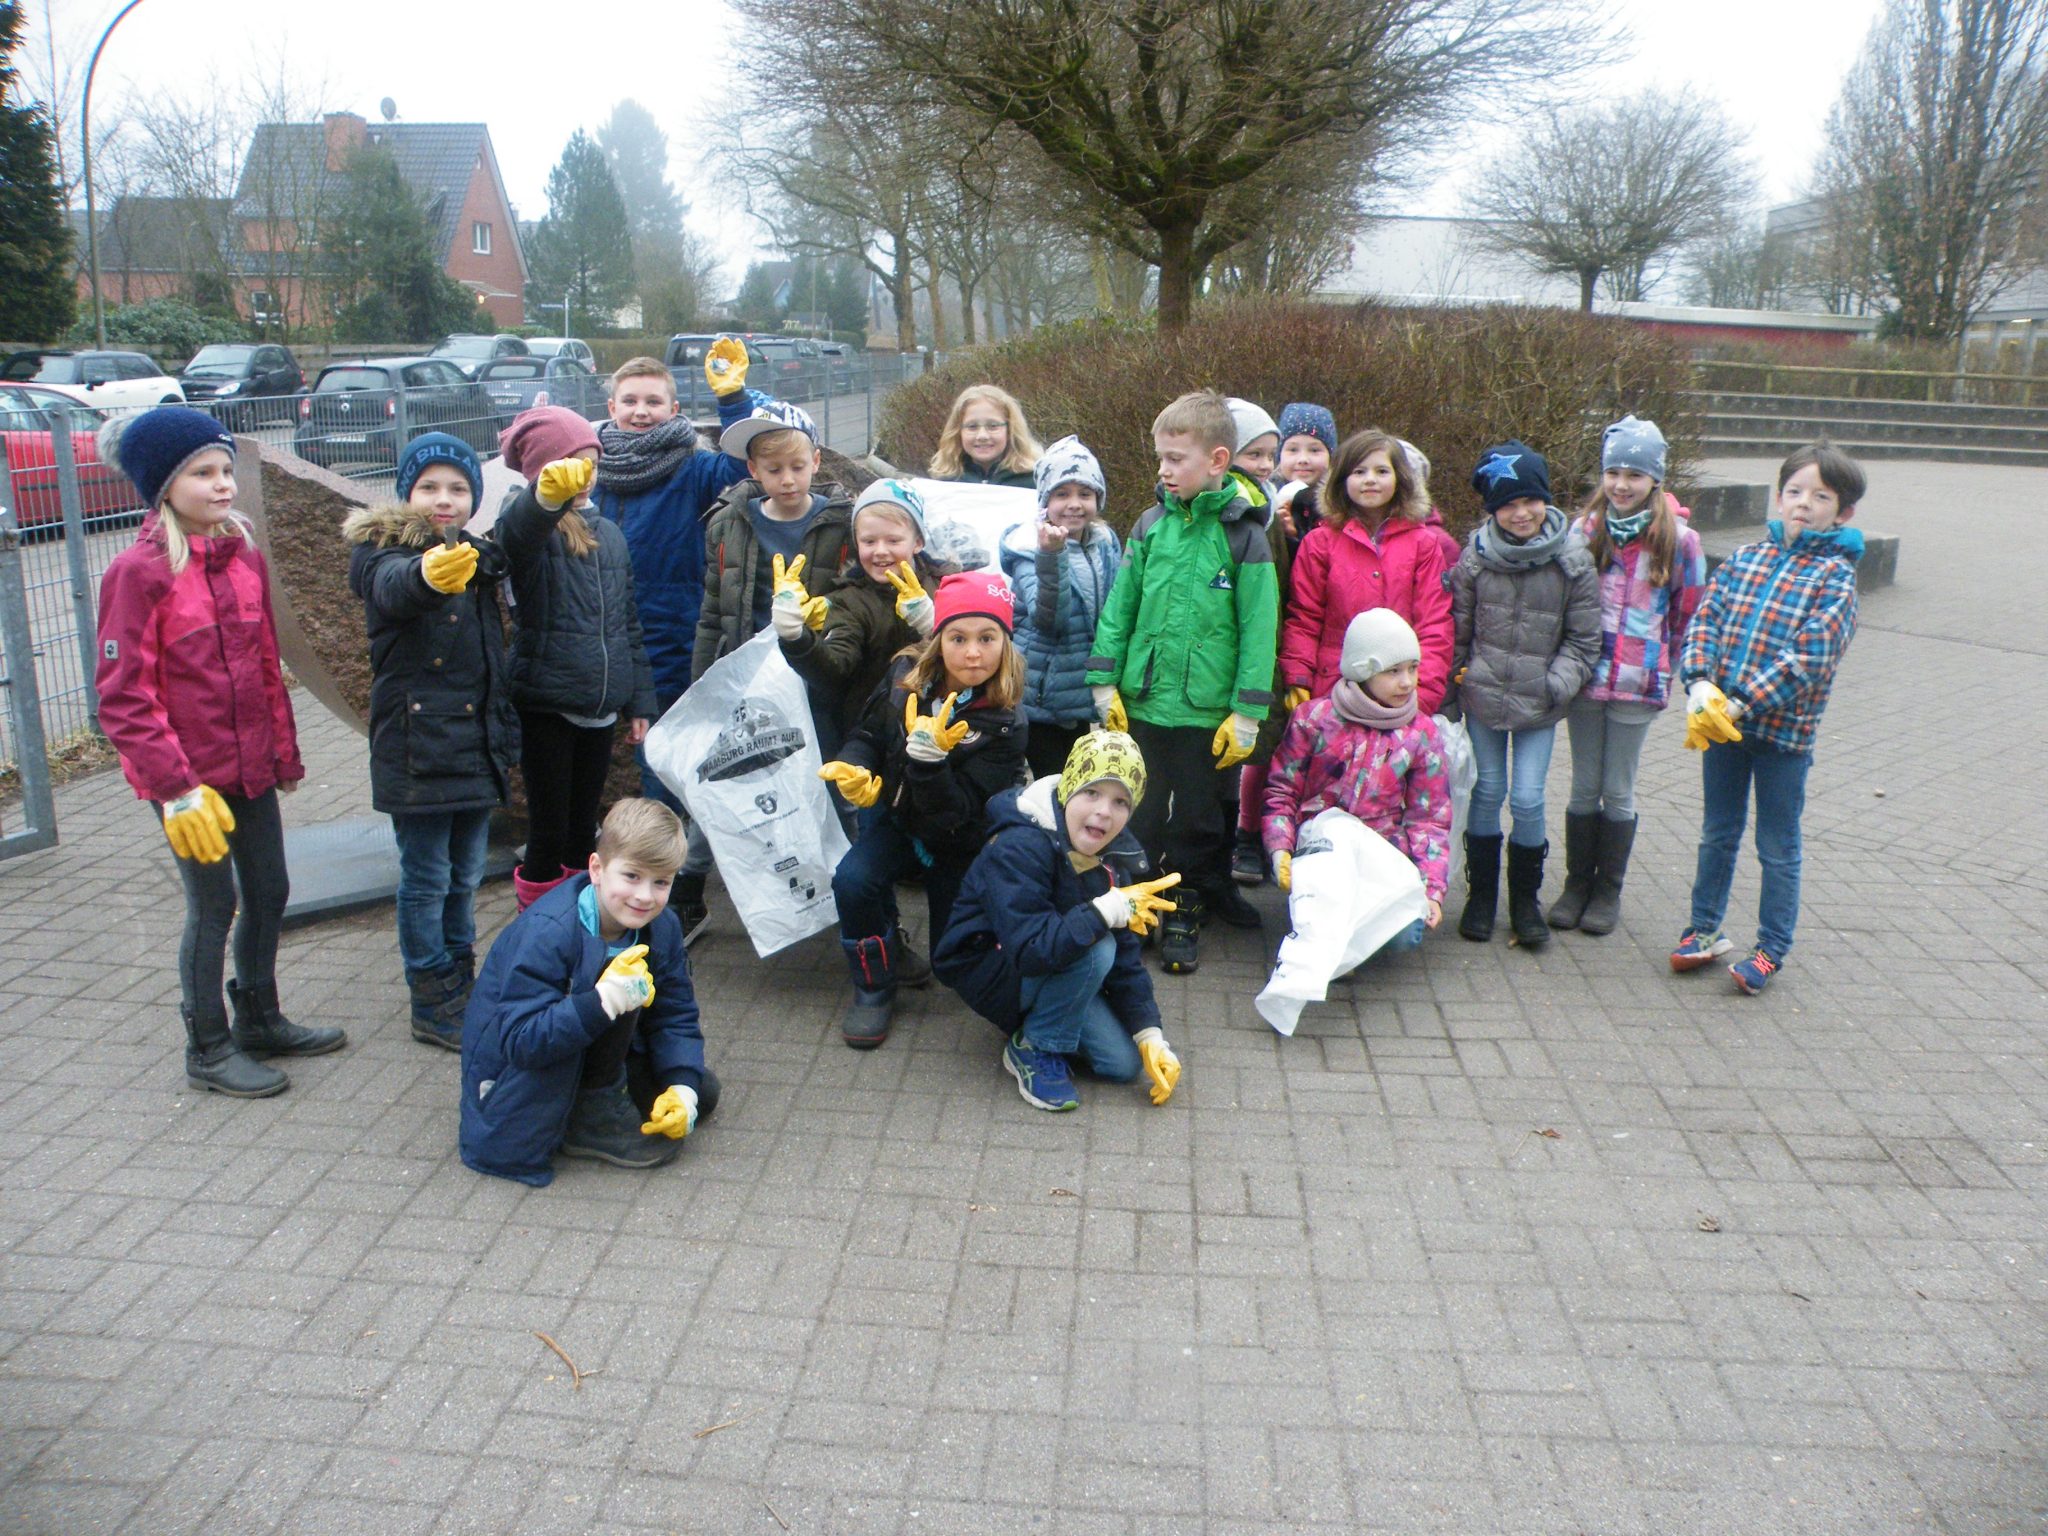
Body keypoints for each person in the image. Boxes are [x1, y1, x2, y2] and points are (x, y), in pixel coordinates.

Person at [94, 406, 344, 1098]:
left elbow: (266, 666)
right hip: (188, 784)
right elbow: (122, 697)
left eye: (226, 469)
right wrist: (175, 789)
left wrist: (282, 756)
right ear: (163, 486)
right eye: (202, 473)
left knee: (270, 890)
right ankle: (207, 1044)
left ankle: (259, 1016)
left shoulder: (243, 559)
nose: (222, 484)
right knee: (214, 904)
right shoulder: (138, 573)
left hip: (249, 766)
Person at [1086, 389, 1279, 974]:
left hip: (1207, 712)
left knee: (1197, 818)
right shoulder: (1148, 526)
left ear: (1217, 460)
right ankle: (1139, 904)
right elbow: (1121, 607)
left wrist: (1247, 712)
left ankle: (1185, 908)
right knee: (1137, 811)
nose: (1164, 471)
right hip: (1143, 703)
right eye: (1160, 458)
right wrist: (1104, 682)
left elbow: (1259, 628)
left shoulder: (1245, 537)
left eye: (1176, 458)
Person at [343, 431, 520, 1050]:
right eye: (428, 487)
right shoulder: (379, 551)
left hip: (473, 744)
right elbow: (394, 586)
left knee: (465, 871)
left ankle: (459, 975)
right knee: (425, 876)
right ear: (405, 493)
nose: (443, 500)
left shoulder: (477, 553)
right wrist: (427, 574)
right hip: (417, 747)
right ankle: (430, 992)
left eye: (458, 488)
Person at [1670, 443, 1864, 995]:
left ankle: (1772, 947)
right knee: (1717, 833)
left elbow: (1810, 656)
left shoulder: (1836, 580)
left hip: (1783, 738)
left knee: (1777, 845)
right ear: (1779, 497)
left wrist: (1742, 700)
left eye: (1820, 496)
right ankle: (1702, 929)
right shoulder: (1745, 558)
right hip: (1722, 732)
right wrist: (1701, 680)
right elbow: (1705, 618)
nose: (1804, 504)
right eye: (1795, 491)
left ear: (1843, 512)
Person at [818, 573, 1029, 1049]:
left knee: (950, 961)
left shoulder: (1006, 720)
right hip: (898, 821)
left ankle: (1011, 966)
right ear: (938, 638)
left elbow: (958, 814)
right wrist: (854, 766)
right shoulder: (903, 675)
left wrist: (929, 766)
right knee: (852, 881)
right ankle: (874, 984)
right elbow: (867, 735)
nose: (972, 653)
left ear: (1006, 643)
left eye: (987, 638)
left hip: (959, 842)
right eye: (958, 638)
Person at [460, 799, 718, 1186]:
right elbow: (519, 1042)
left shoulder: (660, 925)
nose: (645, 896)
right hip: (518, 1080)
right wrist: (602, 1001)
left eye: (661, 882)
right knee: (623, 987)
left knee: (702, 1089)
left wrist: (683, 1087)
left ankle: (608, 1091)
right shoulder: (549, 933)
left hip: (591, 1046)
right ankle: (591, 1111)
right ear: (597, 869)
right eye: (631, 876)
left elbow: (675, 1013)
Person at [935, 731, 1185, 1112]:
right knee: (1098, 947)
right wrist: (1105, 911)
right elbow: (1031, 950)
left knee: (1124, 1065)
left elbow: (1128, 958)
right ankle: (1033, 1048)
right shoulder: (1021, 844)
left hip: (1052, 956)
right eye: (1092, 793)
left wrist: (1151, 1035)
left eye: (1121, 801)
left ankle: (1049, 1014)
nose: (1104, 811)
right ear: (1068, 789)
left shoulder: (1115, 856)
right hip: (990, 965)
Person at [680, 400, 855, 935]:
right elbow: (714, 608)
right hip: (748, 683)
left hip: (817, 679)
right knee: (725, 782)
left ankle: (857, 897)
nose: (787, 479)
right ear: (752, 470)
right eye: (773, 469)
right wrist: (702, 689)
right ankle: (688, 887)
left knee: (833, 783)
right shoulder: (728, 524)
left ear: (816, 461)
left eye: (797, 467)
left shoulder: (842, 523)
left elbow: (857, 595)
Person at [590, 343, 767, 814]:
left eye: (652, 402)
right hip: (606, 631)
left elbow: (739, 465)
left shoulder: (692, 468)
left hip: (670, 630)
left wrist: (733, 401)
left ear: (674, 410)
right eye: (629, 401)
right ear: (611, 408)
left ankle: (667, 850)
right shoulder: (594, 469)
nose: (640, 412)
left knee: (662, 744)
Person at [494, 408, 657, 911]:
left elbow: (626, 620)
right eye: (569, 465)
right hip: (548, 700)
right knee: (549, 827)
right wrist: (542, 500)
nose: (584, 476)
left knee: (585, 824)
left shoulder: (608, 532)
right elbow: (514, 538)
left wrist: (638, 699)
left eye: (590, 463)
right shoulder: (532, 529)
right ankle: (537, 921)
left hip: (600, 703)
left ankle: (576, 919)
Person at [1550, 415, 1705, 937]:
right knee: (1582, 785)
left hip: (1638, 683)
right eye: (1613, 471)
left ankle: (1607, 889)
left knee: (1618, 789)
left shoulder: (1681, 540)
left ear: (1655, 480)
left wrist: (1666, 665)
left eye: (1634, 475)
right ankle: (1576, 884)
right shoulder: (1583, 531)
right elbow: (1567, 602)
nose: (1621, 484)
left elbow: (1686, 613)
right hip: (1585, 678)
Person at [1449, 441, 1601, 949]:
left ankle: (1524, 902)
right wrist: (1458, 684)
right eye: (1507, 505)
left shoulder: (1573, 561)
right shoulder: (1474, 560)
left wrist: (1554, 684)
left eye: (1529, 501)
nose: (1521, 514)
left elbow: (1584, 640)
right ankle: (1480, 898)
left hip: (1540, 701)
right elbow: (1458, 631)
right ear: (1492, 510)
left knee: (1530, 797)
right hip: (1483, 699)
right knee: (1487, 791)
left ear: (1546, 500)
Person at [1263, 610, 1452, 966]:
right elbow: (1282, 791)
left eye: (1413, 668)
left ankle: (1345, 936)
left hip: (1382, 856)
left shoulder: (1421, 734)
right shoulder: (1314, 720)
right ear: (1363, 670)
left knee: (1406, 934)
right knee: (1329, 909)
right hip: (1323, 853)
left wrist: (1431, 889)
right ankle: (1332, 930)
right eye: (1393, 671)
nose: (1408, 682)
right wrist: (1280, 850)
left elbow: (1429, 818)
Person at [781, 478, 956, 740]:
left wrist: (935, 626)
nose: (880, 551)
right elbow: (834, 669)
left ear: (918, 542)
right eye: (869, 541)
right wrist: (796, 637)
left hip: (941, 726)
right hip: (871, 734)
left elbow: (977, 654)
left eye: (893, 540)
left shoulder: (948, 584)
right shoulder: (848, 600)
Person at [1001, 436, 1124, 779]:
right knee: (1051, 784)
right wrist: (1051, 555)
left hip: (1080, 691)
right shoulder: (1029, 548)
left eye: (1085, 494)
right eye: (1062, 494)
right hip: (1040, 697)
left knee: (1071, 781)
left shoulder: (1104, 543)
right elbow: (1049, 619)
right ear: (1045, 500)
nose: (1074, 504)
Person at [927, 383, 1042, 486]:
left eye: (993, 426)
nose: (982, 436)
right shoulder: (943, 482)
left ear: (1010, 430)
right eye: (972, 427)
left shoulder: (1034, 481)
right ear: (958, 432)